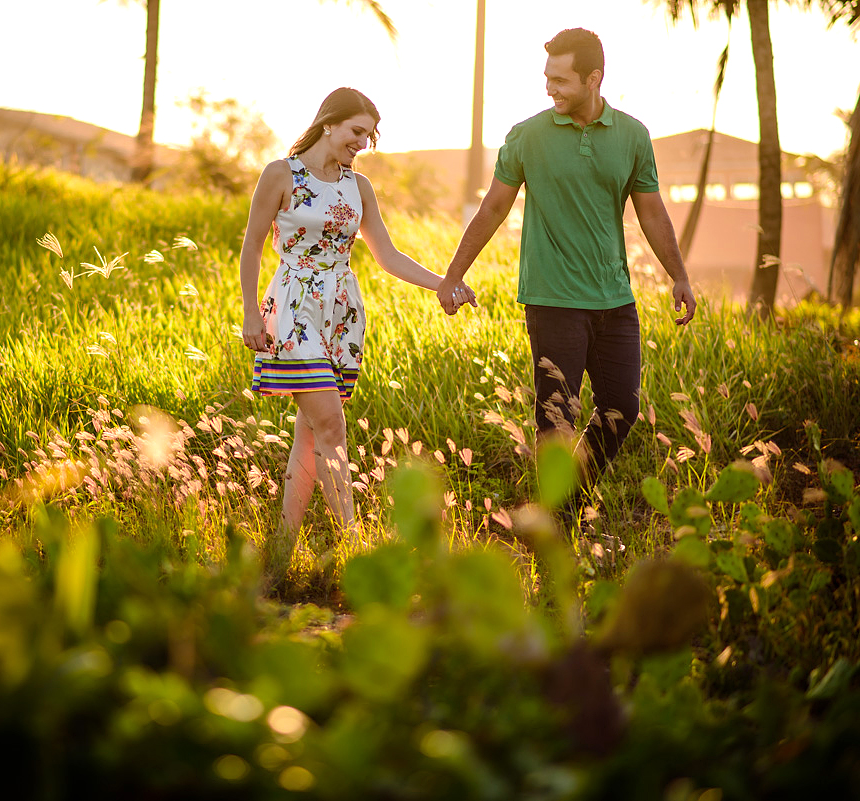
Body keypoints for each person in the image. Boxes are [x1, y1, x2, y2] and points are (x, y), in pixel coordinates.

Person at [436, 28, 696, 523]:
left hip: (614, 299)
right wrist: (453, 274)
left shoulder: (633, 136)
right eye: (546, 78)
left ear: (594, 78)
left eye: (560, 80)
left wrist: (678, 275)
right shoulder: (527, 136)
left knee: (622, 408)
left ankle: (560, 511)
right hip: (553, 298)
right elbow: (493, 208)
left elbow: (653, 212)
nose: (549, 89)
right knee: (557, 416)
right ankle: (558, 531)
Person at [240, 87, 477, 560]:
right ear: (329, 123)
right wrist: (250, 311)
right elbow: (250, 248)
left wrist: (444, 283)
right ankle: (356, 545)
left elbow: (387, 257)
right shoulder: (280, 174)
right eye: (356, 132)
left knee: (311, 431)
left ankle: (281, 550)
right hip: (294, 307)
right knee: (331, 425)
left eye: (368, 136)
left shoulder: (358, 186)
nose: (362, 143)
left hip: (342, 313)